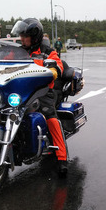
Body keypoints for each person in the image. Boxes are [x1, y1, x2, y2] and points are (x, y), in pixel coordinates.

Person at [12, 18, 69, 177]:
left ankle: (62, 157)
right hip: (19, 91)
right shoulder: (17, 52)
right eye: (21, 36)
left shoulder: (47, 51)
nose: (22, 39)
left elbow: (57, 65)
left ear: (34, 36)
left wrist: (52, 71)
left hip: (42, 91)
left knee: (50, 117)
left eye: (25, 36)